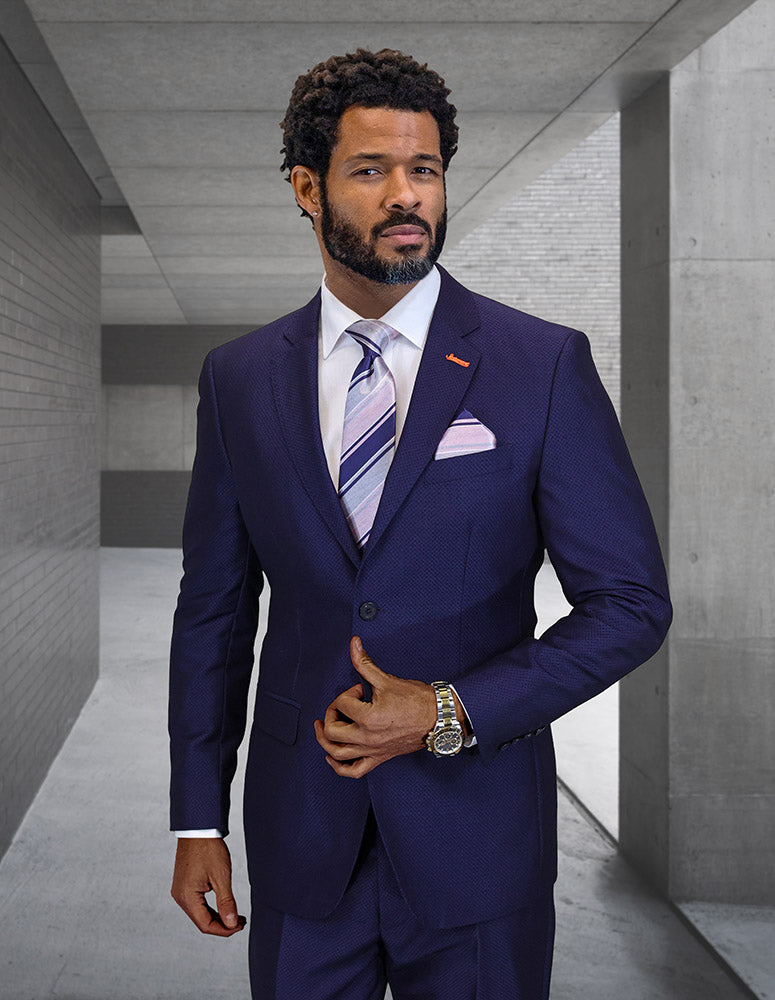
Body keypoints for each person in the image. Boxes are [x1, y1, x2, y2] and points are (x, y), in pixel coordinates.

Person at [169, 48, 671, 1000]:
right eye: (372, 171)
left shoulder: (541, 364)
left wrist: (450, 710)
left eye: (425, 169)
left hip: (478, 843)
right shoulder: (238, 378)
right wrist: (197, 821)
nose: (407, 196)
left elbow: (631, 603)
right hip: (301, 838)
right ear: (307, 188)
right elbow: (213, 614)